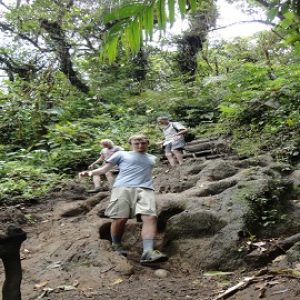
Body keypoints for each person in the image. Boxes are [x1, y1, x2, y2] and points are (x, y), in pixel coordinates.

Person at [79, 134, 168, 264]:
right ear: (130, 144)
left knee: (151, 217)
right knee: (120, 218)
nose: (140, 146)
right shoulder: (122, 154)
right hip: (123, 187)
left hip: (145, 189)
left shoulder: (152, 158)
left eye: (143, 143)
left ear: (147, 143)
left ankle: (148, 252)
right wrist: (90, 173)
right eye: (136, 143)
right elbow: (105, 169)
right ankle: (116, 245)